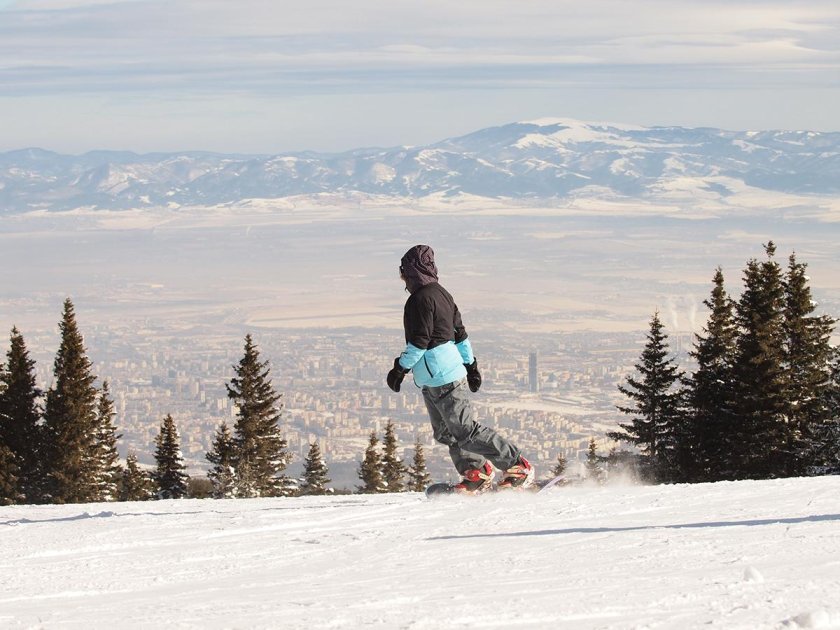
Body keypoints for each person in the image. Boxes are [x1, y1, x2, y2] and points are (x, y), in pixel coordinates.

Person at [386, 244, 534, 493]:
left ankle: (517, 465)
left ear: (412, 272)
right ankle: (475, 472)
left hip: (443, 376)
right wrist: (471, 365)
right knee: (447, 432)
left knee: (465, 430)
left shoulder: (419, 300)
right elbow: (460, 335)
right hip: (434, 378)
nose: (402, 277)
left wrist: (400, 368)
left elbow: (420, 341)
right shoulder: (443, 294)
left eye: (403, 271)